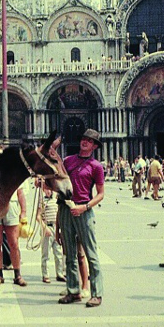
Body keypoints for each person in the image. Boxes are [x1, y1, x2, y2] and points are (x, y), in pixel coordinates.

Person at [58, 129, 105, 307]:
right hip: (65, 208)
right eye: (83, 139)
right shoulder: (68, 161)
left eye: (89, 141)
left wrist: (84, 207)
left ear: (94, 146)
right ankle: (73, 291)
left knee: (91, 254)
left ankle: (97, 294)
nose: (85, 142)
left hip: (83, 210)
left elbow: (101, 194)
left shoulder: (96, 166)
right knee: (69, 254)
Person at [0, 181, 28, 286]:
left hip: (12, 205)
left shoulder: (14, 169)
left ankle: (17, 275)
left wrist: (23, 211)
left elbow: (20, 193)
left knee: (14, 243)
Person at [38, 182, 65, 284]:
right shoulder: (42, 201)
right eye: (46, 189)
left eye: (50, 189)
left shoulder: (56, 200)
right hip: (47, 228)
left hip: (56, 227)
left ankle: (59, 273)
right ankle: (45, 274)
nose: (48, 191)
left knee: (58, 253)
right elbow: (38, 216)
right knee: (46, 254)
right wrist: (45, 228)